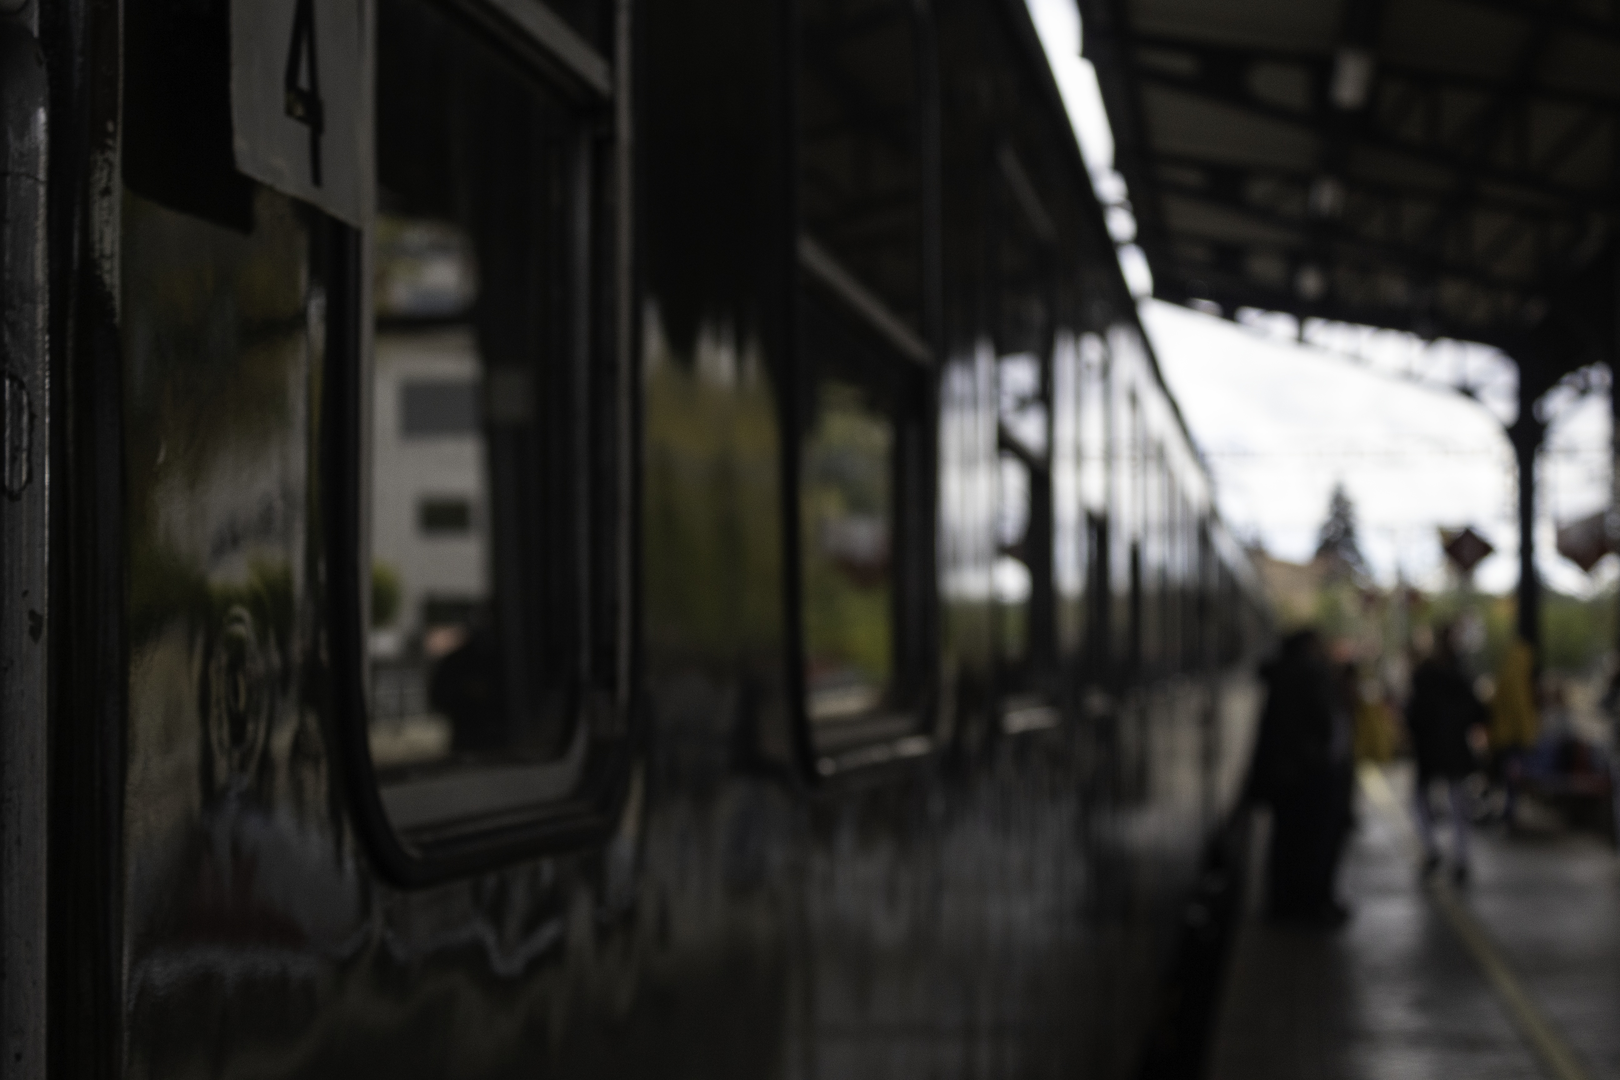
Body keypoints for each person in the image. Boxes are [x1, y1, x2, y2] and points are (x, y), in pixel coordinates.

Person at [1249, 628, 1350, 926]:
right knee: (1311, 844)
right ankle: (1306, 905)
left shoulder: (1284, 675)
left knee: (1290, 844)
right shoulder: (1307, 675)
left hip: (1292, 775)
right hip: (1308, 775)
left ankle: (1290, 904)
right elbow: (1321, 724)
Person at [1406, 623, 1486, 883]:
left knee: (1431, 800)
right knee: (1453, 801)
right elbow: (1477, 711)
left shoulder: (1428, 675)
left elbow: (1414, 713)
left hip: (1431, 748)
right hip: (1450, 748)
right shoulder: (1458, 675)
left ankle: (1436, 852)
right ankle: (1456, 856)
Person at [1488, 637, 1538, 827]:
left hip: (1502, 737)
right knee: (1513, 778)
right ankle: (1510, 813)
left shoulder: (1503, 676)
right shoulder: (1518, 680)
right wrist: (1528, 736)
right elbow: (1522, 713)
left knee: (1507, 778)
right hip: (1514, 739)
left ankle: (1507, 811)